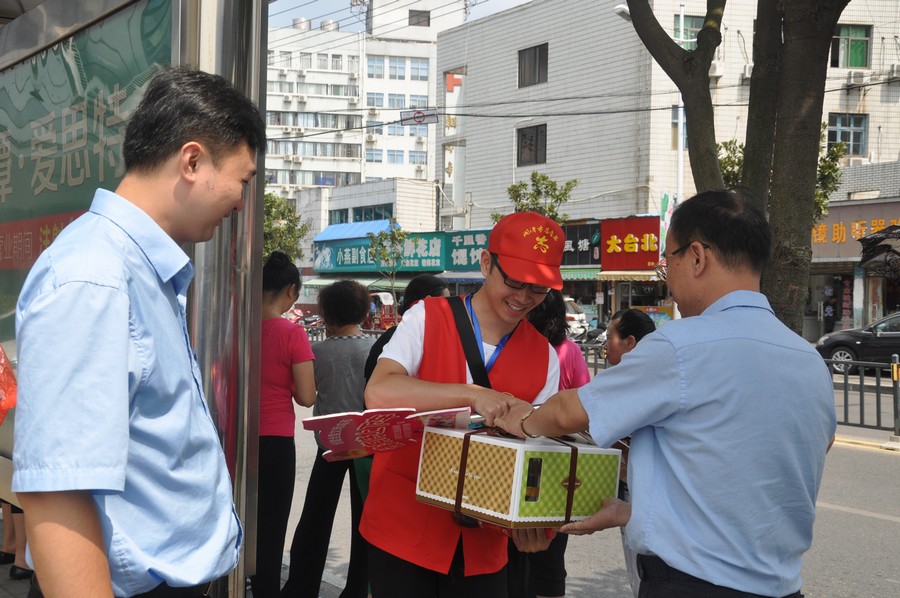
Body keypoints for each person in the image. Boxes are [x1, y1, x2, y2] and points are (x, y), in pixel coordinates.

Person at [495, 190, 837, 598]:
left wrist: (519, 418)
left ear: (697, 257)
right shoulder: (810, 360)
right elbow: (750, 471)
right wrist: (634, 512)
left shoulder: (680, 346)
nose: (668, 279)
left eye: (667, 261)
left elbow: (569, 412)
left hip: (690, 587)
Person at [13, 66, 265, 598]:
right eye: (242, 181)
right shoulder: (95, 277)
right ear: (192, 161)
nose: (241, 202)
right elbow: (58, 493)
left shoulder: (133, 269)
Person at [362, 211, 565, 597]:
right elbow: (380, 391)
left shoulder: (545, 357)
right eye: (514, 280)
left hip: (484, 543)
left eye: (539, 288)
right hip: (403, 528)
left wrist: (536, 523)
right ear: (487, 263)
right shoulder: (427, 317)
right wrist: (473, 394)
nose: (524, 297)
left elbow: (538, 454)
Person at [281, 280, 375, 598]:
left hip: (329, 444)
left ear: (326, 315)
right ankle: (358, 589)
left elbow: (309, 392)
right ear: (363, 313)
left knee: (315, 516)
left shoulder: (317, 351)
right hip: (366, 444)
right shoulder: (375, 349)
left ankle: (300, 587)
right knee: (365, 519)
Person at [506, 289, 592, 598]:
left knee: (512, 543)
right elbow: (585, 403)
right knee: (550, 540)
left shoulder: (519, 349)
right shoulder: (570, 351)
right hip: (554, 463)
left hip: (515, 458)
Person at [252, 252, 317, 598]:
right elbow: (307, 397)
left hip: (237, 440)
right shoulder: (293, 334)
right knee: (271, 528)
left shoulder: (239, 327)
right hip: (275, 442)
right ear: (291, 291)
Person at [598, 308, 656, 598]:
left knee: (642, 570)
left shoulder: (628, 382)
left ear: (629, 342)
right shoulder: (663, 375)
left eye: (610, 338)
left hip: (641, 488)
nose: (605, 345)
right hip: (643, 486)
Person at [363, 274, 451, 381]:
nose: (451, 307)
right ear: (429, 301)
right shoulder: (399, 338)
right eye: (447, 301)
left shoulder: (433, 337)